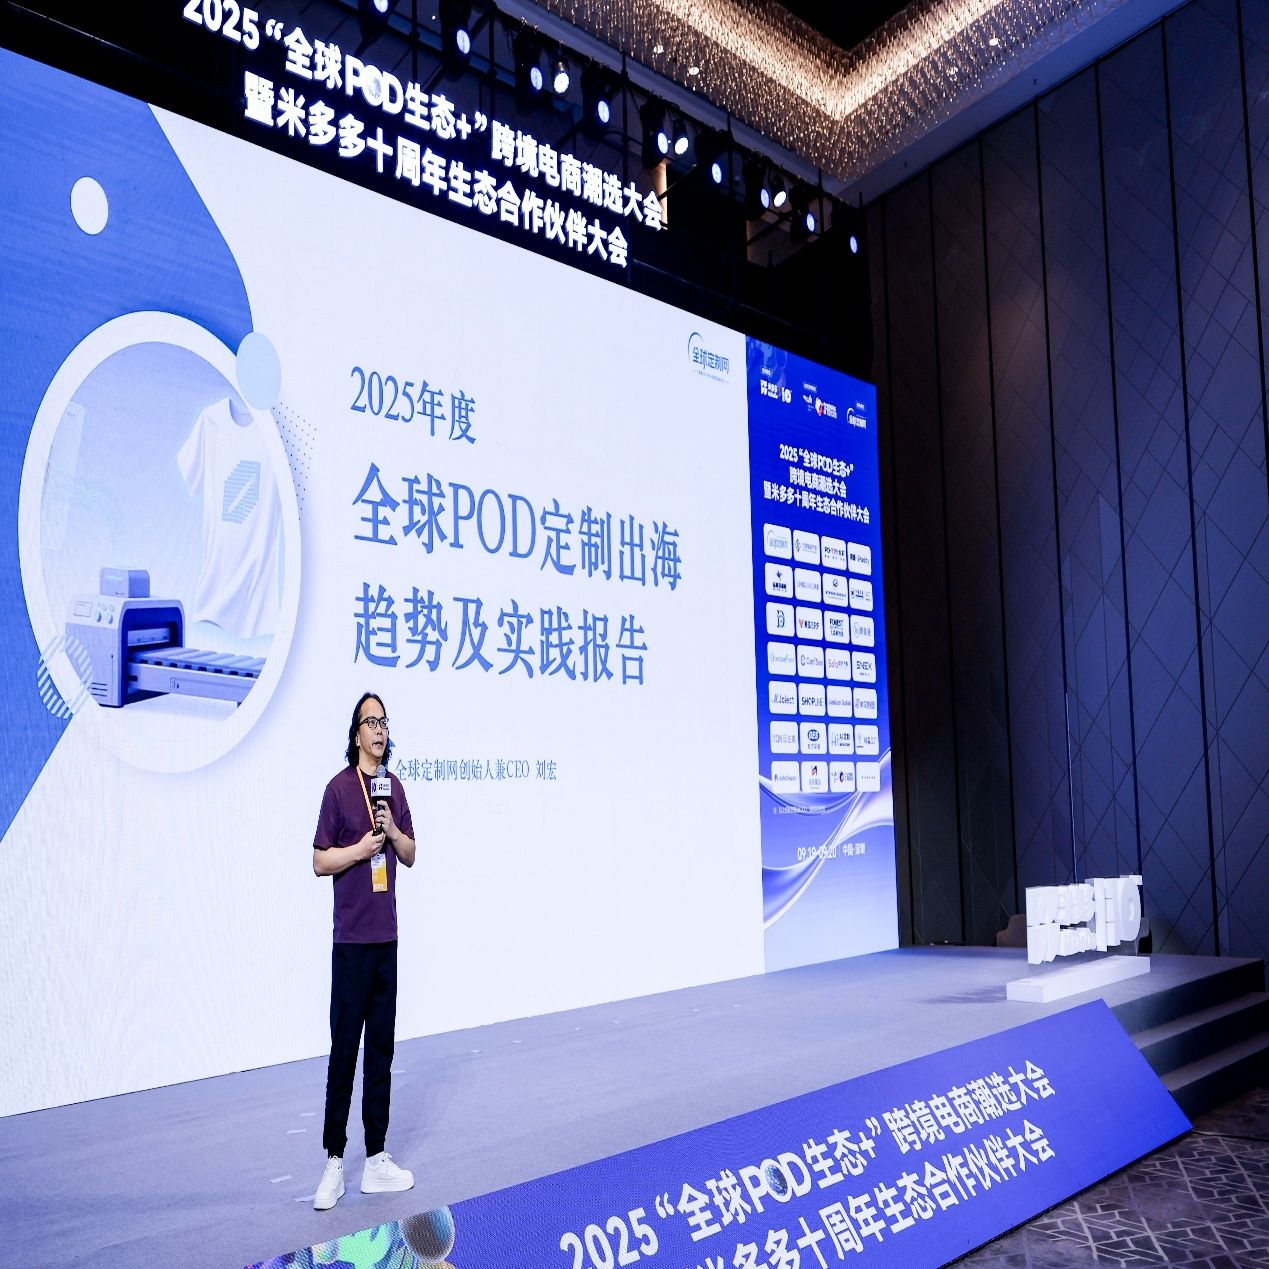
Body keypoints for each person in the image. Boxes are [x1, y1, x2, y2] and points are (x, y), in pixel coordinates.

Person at [311, 691, 417, 1211]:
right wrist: (358, 850)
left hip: (385, 939)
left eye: (384, 722)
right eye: (370, 722)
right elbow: (319, 861)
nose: (379, 730)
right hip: (351, 942)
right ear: (356, 735)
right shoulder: (337, 789)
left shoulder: (392, 789)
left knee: (381, 1051)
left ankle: (376, 1158)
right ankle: (334, 1161)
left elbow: (412, 854)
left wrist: (391, 830)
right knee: (345, 1052)